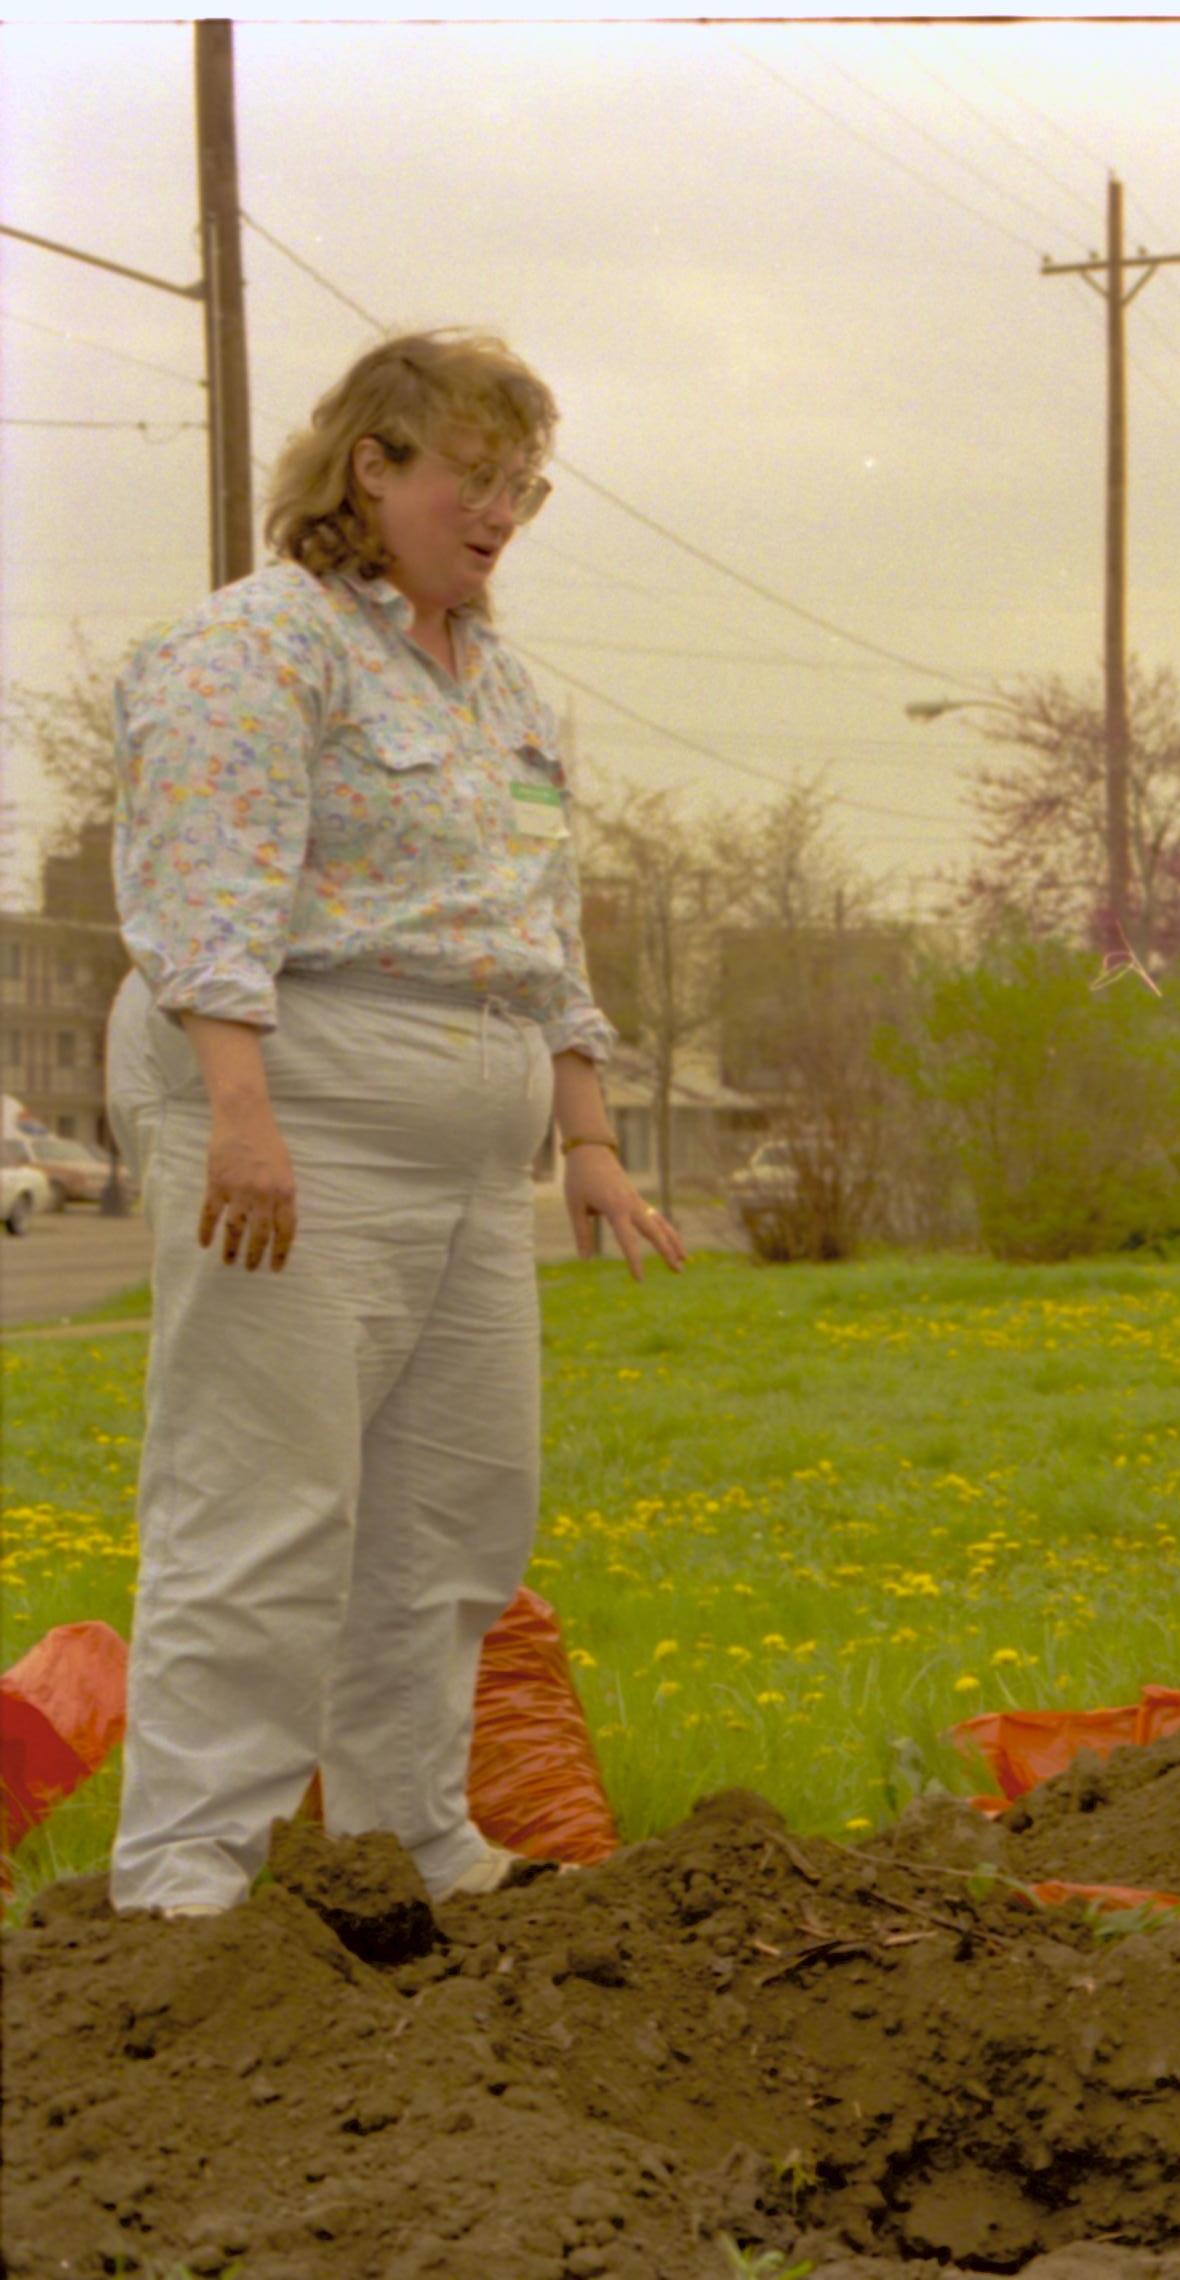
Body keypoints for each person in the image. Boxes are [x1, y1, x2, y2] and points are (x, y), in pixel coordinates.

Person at [103, 329, 680, 1919]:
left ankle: (409, 1839)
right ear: (376, 466)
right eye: (474, 480)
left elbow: (540, 928)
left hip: (469, 1146)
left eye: (524, 489)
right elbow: (207, 892)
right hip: (303, 1111)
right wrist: (240, 1113)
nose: (502, 515)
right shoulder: (258, 647)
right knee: (265, 1505)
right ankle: (187, 1886)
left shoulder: (504, 689)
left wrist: (589, 1139)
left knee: (453, 1517)